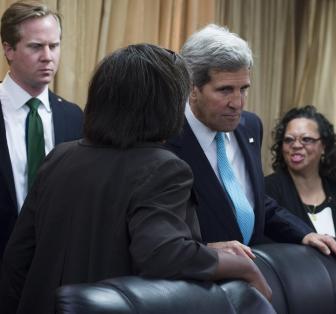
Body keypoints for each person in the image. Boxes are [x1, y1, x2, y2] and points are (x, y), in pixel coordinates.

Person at [0, 44, 271, 314]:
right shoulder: (163, 168)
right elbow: (162, 255)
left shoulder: (59, 156)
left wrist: (199, 248)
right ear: (165, 106)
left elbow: (17, 258)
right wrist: (242, 266)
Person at [166, 24, 336, 268]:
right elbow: (159, 231)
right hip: (199, 280)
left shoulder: (250, 126)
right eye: (225, 90)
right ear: (192, 87)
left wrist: (303, 233)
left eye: (244, 89)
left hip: (252, 272)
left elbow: (251, 199)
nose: (238, 103)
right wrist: (204, 249)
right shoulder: (167, 136)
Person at [0, 1, 83, 260]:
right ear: (8, 49)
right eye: (36, 46)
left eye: (54, 46)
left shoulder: (73, 117)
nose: (48, 56)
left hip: (54, 263)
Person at [265, 105, 336, 294]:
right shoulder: (267, 191)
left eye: (306, 139)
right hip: (291, 300)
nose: (296, 145)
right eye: (288, 140)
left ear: (323, 146)